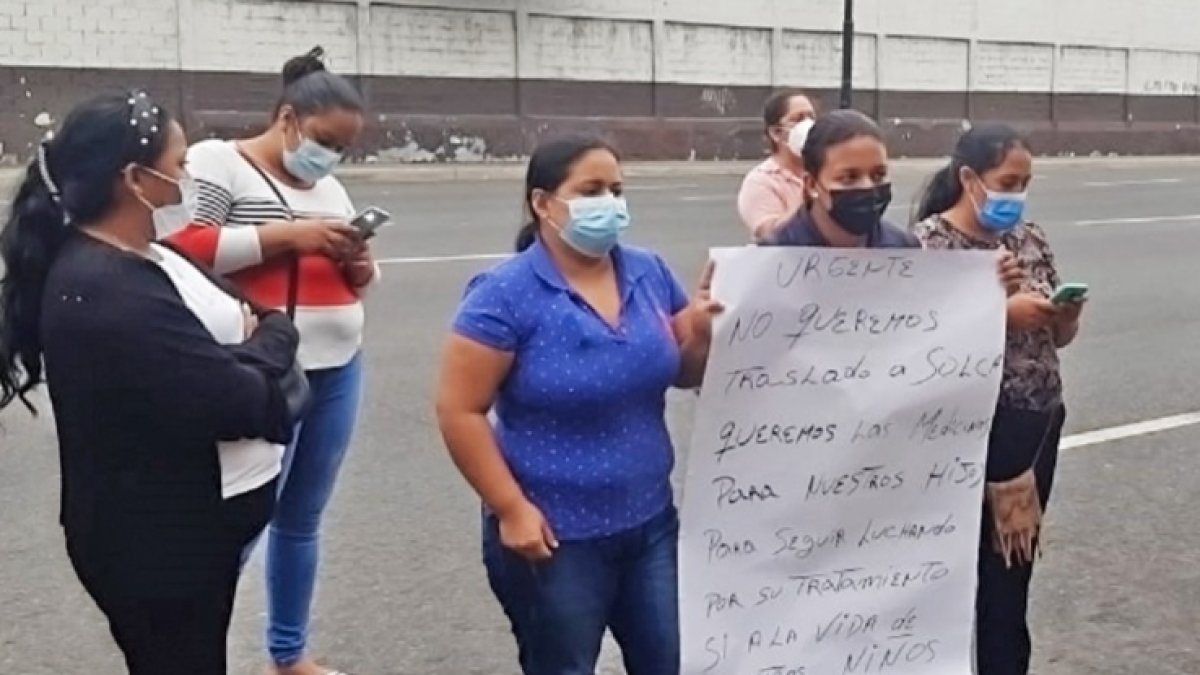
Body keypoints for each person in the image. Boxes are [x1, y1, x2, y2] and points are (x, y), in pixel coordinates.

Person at [0, 91, 298, 673]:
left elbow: (261, 317)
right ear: (134, 178)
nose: (187, 177)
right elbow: (247, 402)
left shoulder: (148, 255)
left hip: (192, 533)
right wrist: (269, 347)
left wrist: (257, 342)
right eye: (179, 164)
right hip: (157, 549)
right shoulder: (107, 292)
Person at [435, 135, 719, 675]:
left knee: (670, 659)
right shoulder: (503, 294)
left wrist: (702, 332)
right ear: (543, 203)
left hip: (649, 524)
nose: (610, 203)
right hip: (553, 538)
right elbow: (459, 410)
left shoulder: (648, 272)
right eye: (590, 190)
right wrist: (512, 509)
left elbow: (685, 372)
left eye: (616, 190)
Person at [168, 46, 374, 675]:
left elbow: (352, 278)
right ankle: (192, 655)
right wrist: (291, 234)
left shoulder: (330, 186)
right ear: (287, 118)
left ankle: (289, 655)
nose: (330, 156)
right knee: (242, 519)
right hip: (261, 370)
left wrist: (358, 264)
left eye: (342, 147)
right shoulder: (216, 163)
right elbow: (181, 246)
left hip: (339, 365)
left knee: (302, 519)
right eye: (323, 139)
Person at [912, 124, 1082, 675]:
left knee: (1011, 578)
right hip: (964, 431)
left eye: (1025, 182)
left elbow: (1056, 340)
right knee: (959, 574)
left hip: (1033, 430)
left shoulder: (1029, 239)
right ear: (968, 178)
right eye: (1007, 181)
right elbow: (911, 339)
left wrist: (1065, 317)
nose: (1017, 194)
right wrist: (998, 311)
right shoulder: (929, 244)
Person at [760, 108, 918, 249]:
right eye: (849, 178)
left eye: (878, 175)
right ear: (812, 184)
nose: (867, 186)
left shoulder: (903, 248)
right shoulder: (773, 254)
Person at [737, 89, 816, 241]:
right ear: (776, 133)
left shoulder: (827, 170)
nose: (808, 125)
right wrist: (810, 205)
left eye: (811, 117)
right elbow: (769, 233)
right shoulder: (761, 181)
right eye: (798, 119)